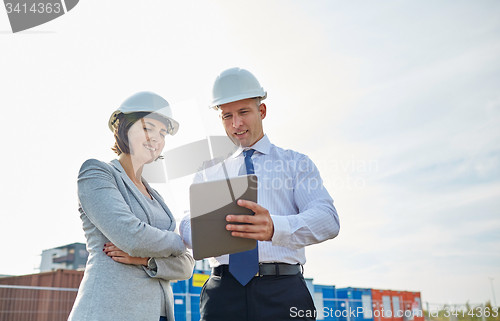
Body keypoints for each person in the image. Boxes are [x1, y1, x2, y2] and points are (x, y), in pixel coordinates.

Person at [179, 68, 340, 320]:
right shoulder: (209, 170)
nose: (236, 124)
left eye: (244, 112)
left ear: (261, 111)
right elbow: (187, 224)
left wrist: (275, 227)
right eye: (227, 116)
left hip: (283, 293)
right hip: (223, 293)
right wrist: (214, 229)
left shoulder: (296, 163)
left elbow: (328, 219)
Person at [69, 91, 195, 321]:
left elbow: (187, 267)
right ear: (124, 128)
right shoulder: (97, 173)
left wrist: (145, 260)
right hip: (110, 311)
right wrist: (181, 243)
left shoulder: (157, 198)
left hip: (159, 314)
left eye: (163, 133)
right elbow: (132, 237)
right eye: (148, 128)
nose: (156, 138)